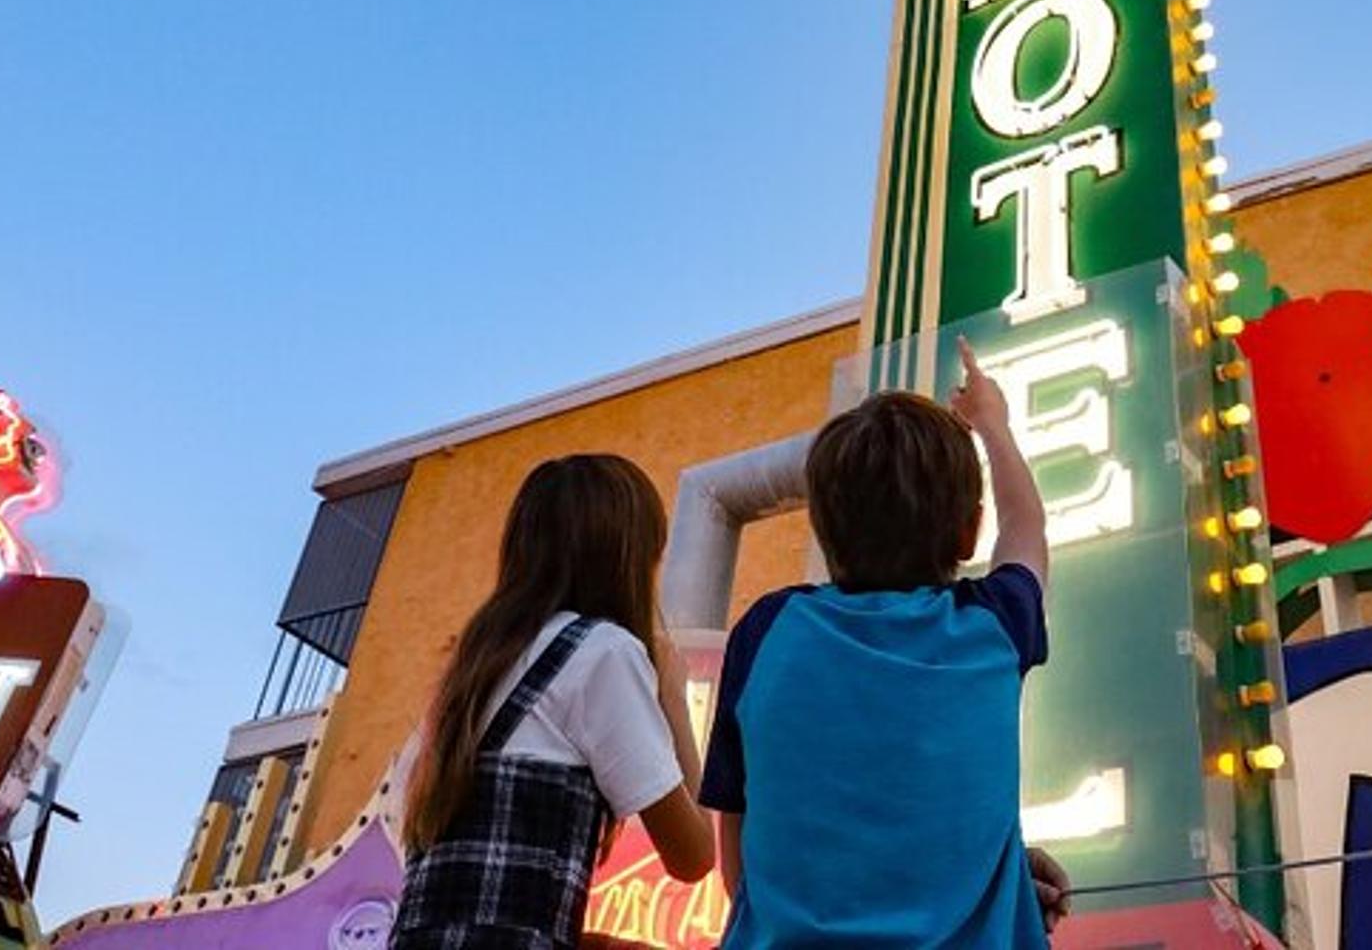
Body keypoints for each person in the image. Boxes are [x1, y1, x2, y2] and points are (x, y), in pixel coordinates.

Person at [702, 338, 1057, 947]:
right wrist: (991, 424)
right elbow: (1026, 528)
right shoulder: (989, 627)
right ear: (969, 530)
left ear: (822, 527)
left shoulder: (767, 632)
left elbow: (737, 852)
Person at [393, 454, 716, 949]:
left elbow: (471, 902)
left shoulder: (467, 678)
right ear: (627, 559)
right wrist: (673, 696)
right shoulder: (603, 651)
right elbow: (693, 857)